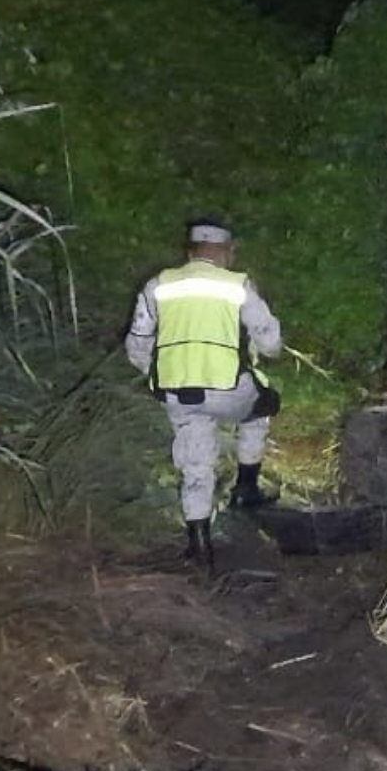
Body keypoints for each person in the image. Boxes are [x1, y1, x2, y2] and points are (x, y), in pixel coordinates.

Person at [124, 220, 283, 570]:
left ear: (189, 252)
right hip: (229, 389)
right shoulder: (238, 285)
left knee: (195, 462)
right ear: (227, 252)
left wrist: (157, 373)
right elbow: (270, 340)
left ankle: (200, 545)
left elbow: (137, 344)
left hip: (179, 392)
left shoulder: (158, 285)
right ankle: (246, 489)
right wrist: (265, 351)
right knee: (262, 406)